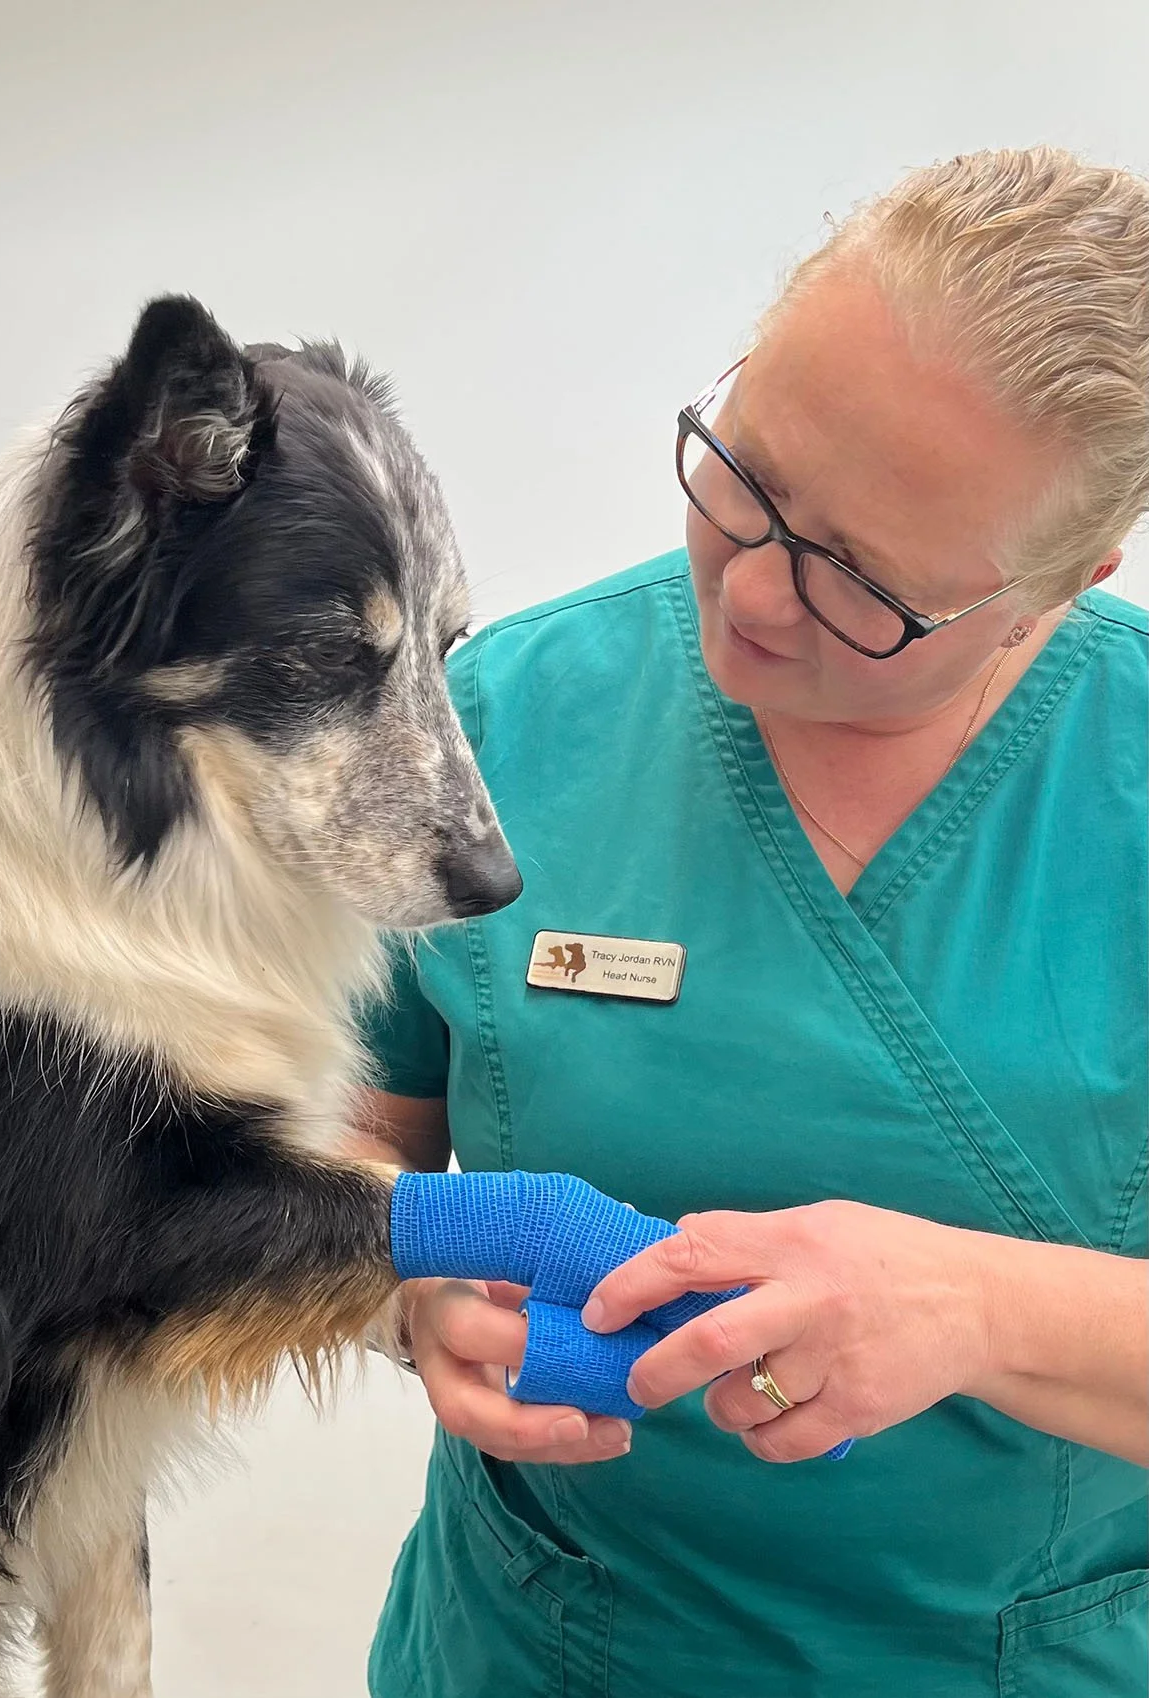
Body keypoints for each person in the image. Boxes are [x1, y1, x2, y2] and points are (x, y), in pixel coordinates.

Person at [353, 146, 1149, 1698]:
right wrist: (403, 1285)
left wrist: (976, 1307)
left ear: (1066, 580)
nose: (757, 600)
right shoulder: (504, 720)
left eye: (864, 582)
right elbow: (336, 1134)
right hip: (541, 1648)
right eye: (750, 480)